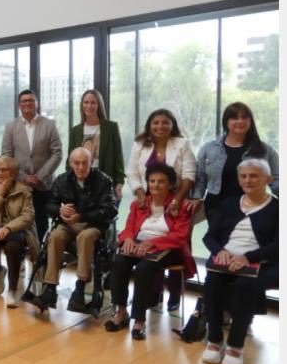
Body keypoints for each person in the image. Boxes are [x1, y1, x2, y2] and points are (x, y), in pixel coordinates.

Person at [202, 159, 278, 364]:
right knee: (213, 280)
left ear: (268, 179)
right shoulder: (228, 204)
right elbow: (209, 237)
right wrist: (221, 252)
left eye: (254, 175)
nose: (248, 180)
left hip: (263, 262)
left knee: (246, 285)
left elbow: (279, 245)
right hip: (227, 260)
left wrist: (249, 257)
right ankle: (214, 340)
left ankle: (235, 345)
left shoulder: (278, 208)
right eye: (243, 176)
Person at [106, 163, 195, 340]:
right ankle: (121, 312)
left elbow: (180, 236)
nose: (155, 185)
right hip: (139, 244)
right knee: (119, 261)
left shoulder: (180, 206)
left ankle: (139, 320)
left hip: (169, 248)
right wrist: (128, 239)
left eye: (161, 182)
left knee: (145, 268)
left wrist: (152, 243)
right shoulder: (138, 204)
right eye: (152, 181)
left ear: (170, 184)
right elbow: (128, 228)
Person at [29, 148, 117, 312]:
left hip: (94, 225)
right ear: (70, 164)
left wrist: (82, 216)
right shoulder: (63, 180)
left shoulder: (103, 181)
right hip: (69, 224)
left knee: (85, 236)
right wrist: (59, 211)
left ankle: (80, 287)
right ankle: (50, 288)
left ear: (91, 163)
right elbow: (49, 205)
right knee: (55, 236)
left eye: (85, 163)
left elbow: (112, 209)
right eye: (77, 163)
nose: (81, 167)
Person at [126, 108, 196, 311]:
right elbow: (131, 172)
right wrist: (140, 195)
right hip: (148, 203)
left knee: (173, 246)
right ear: (149, 126)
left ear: (172, 125)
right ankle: (151, 294)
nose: (160, 126)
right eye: (156, 123)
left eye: (165, 122)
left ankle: (174, 295)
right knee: (148, 246)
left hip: (175, 204)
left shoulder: (182, 144)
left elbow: (189, 175)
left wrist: (177, 201)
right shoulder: (140, 144)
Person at [193, 101, 279, 225]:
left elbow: (276, 178)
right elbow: (200, 178)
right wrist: (196, 198)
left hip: (253, 207)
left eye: (245, 117)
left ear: (251, 121)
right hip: (216, 207)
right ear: (226, 122)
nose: (240, 121)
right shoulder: (209, 148)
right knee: (218, 243)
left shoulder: (264, 150)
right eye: (234, 117)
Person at [1, 90, 63, 243]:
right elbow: (7, 156)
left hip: (43, 184)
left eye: (31, 100)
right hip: (19, 185)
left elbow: (57, 153)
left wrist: (40, 176)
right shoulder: (11, 127)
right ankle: (20, 258)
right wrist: (23, 177)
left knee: (42, 221)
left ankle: (40, 258)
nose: (27, 104)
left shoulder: (49, 125)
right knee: (18, 221)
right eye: (24, 101)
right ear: (19, 105)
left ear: (37, 103)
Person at [0, 156, 39, 308]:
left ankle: (12, 290)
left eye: (4, 170)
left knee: (13, 247)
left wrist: (8, 228)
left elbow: (28, 216)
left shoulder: (24, 190)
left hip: (18, 230)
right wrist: (1, 193)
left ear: (13, 172)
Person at [68, 89, 125, 201]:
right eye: (86, 102)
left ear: (99, 105)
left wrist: (120, 182)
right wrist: (69, 182)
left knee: (105, 216)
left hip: (106, 181)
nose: (89, 106)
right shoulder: (75, 130)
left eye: (93, 102)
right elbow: (70, 159)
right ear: (82, 105)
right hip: (81, 182)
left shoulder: (111, 127)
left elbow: (118, 156)